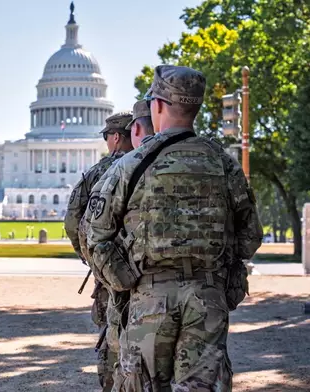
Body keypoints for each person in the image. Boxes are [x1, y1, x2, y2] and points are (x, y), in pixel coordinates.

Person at [87, 65, 262, 391]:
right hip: (207, 298)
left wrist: (125, 281)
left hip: (148, 297)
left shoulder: (132, 164)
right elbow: (250, 234)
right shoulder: (224, 164)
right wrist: (223, 278)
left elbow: (95, 235)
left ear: (157, 106)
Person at [64, 111, 133, 391]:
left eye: (106, 137)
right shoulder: (154, 164)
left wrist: (92, 260)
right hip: (152, 272)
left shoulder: (98, 172)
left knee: (111, 338)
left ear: (115, 137)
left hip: (110, 272)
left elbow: (73, 221)